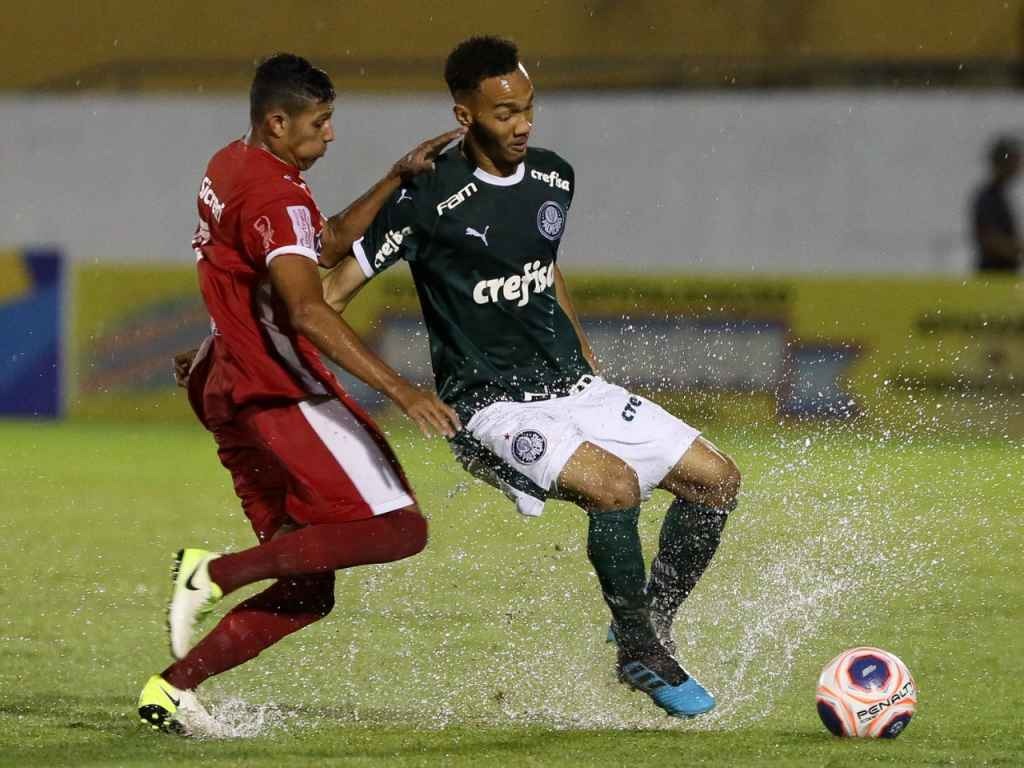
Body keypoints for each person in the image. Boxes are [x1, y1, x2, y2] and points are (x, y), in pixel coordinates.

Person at [319, 36, 740, 719]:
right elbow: (328, 294)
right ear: (465, 117)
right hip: (492, 407)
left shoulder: (553, 177)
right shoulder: (426, 200)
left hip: (575, 388)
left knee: (717, 483)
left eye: (528, 109)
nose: (523, 125)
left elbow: (543, 264)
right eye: (505, 112)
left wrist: (578, 342)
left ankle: (646, 618)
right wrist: (398, 388)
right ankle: (639, 649)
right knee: (615, 489)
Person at [137, 53, 463, 733]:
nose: (331, 135)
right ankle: (217, 572)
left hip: (227, 387)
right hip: (282, 392)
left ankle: (172, 689)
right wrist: (403, 391)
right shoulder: (277, 197)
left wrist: (393, 180)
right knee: (401, 528)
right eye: (320, 122)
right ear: (277, 122)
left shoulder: (231, 163)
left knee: (309, 588)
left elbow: (321, 243)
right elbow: (309, 311)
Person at [972, 135, 1023, 273]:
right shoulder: (988, 198)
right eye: (1015, 160)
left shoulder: (998, 196)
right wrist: (1017, 248)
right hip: (993, 277)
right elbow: (989, 239)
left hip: (1000, 277)